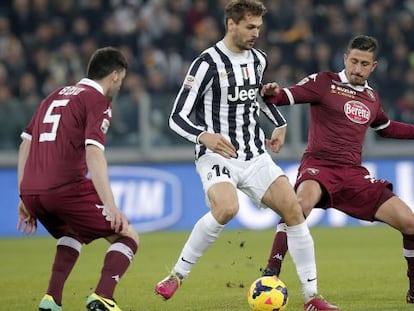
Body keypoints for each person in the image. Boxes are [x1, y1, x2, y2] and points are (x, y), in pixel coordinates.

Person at [154, 1, 338, 310]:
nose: (256, 33)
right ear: (231, 24)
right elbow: (177, 116)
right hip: (217, 155)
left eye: (259, 28)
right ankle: (176, 275)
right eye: (250, 27)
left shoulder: (259, 60)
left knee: (293, 211)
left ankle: (312, 298)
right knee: (227, 208)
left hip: (254, 156)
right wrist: (204, 136)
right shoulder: (206, 64)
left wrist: (279, 123)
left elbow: (256, 100)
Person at [260, 34, 414, 304]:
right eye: (353, 61)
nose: (357, 69)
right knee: (299, 204)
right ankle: (271, 273)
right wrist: (272, 93)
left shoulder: (371, 97)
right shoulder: (324, 82)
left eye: (364, 64)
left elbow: (386, 128)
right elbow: (286, 96)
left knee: (410, 222)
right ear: (345, 58)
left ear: (373, 66)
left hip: (354, 175)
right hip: (319, 167)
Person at [17, 47, 139, 311]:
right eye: (122, 79)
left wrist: (23, 194)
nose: (120, 85)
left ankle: (51, 300)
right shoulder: (97, 101)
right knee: (127, 234)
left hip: (32, 191)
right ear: (115, 76)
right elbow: (94, 152)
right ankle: (103, 297)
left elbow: (25, 143)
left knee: (71, 233)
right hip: (64, 188)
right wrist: (110, 205)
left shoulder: (54, 95)